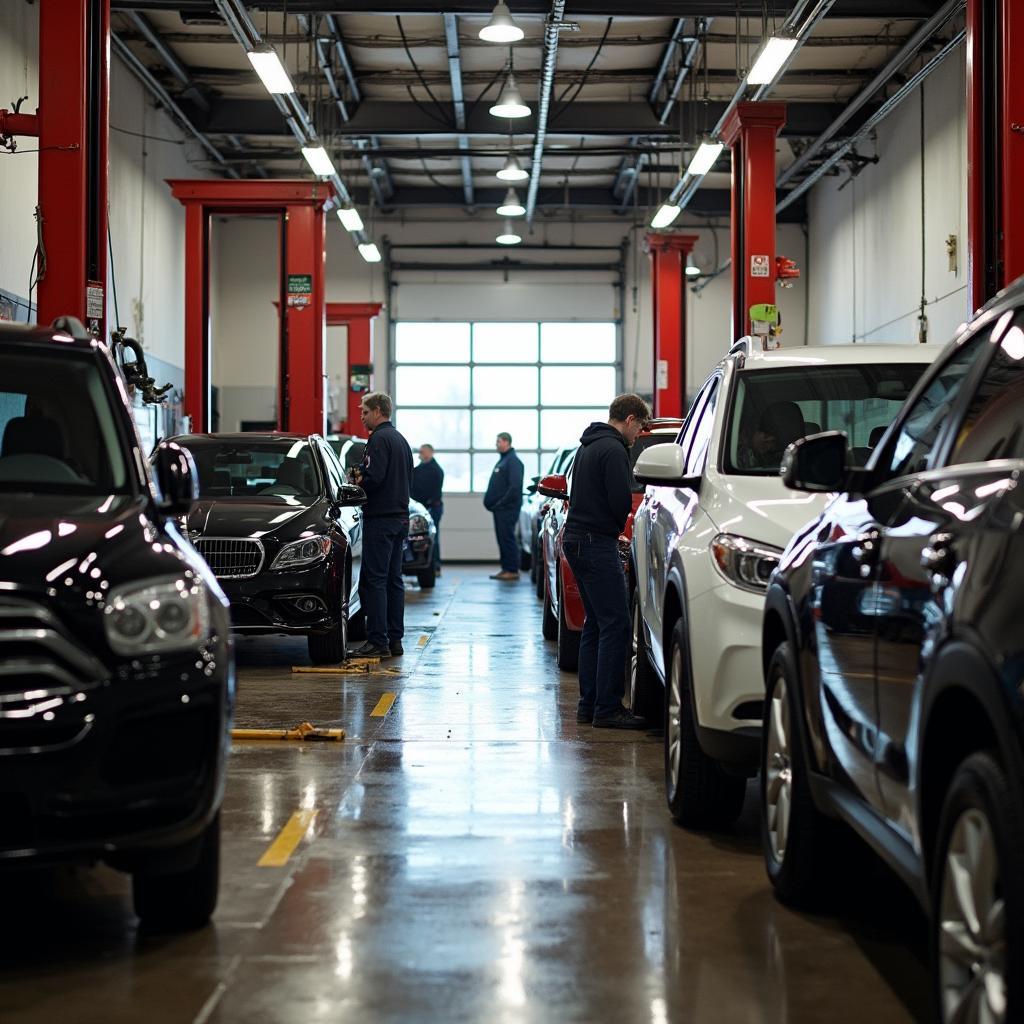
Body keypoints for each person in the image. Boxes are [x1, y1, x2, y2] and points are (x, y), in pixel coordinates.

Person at [562, 394, 650, 729]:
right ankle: (608, 709)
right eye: (639, 427)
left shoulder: (587, 446)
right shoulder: (614, 450)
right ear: (629, 419)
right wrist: (617, 531)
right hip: (596, 542)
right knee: (616, 624)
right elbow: (620, 501)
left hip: (577, 539)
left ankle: (589, 705)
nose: (637, 434)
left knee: (596, 624)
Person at [350, 392, 412, 658]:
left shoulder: (378, 439)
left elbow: (374, 478)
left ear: (377, 411)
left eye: (364, 412)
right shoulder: (401, 440)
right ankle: (395, 640)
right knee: (393, 580)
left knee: (372, 581)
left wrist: (356, 483)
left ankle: (377, 641)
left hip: (381, 518)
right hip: (399, 518)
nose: (362, 417)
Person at [483, 431, 524, 581]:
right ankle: (506, 567)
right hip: (501, 509)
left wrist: (500, 504)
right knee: (502, 538)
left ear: (506, 442)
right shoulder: (504, 460)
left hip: (507, 509)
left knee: (507, 538)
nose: (496, 445)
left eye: (498, 442)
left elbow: (515, 487)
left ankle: (512, 569)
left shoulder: (512, 461)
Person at [411, 443, 444, 576]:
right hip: (421, 508)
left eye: (423, 452)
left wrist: (426, 505)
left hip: (432, 508)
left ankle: (435, 566)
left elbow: (434, 493)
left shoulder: (436, 470)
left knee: (432, 537)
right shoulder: (420, 469)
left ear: (431, 453)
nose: (420, 454)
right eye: (419, 452)